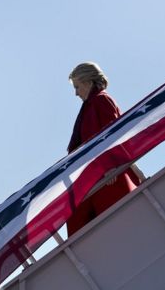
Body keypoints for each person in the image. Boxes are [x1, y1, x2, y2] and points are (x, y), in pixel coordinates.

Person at [66, 62, 141, 236]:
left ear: (88, 82)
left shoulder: (101, 100)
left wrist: (111, 166)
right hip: (99, 176)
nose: (76, 93)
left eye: (77, 86)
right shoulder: (89, 106)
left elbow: (113, 134)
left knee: (117, 229)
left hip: (110, 177)